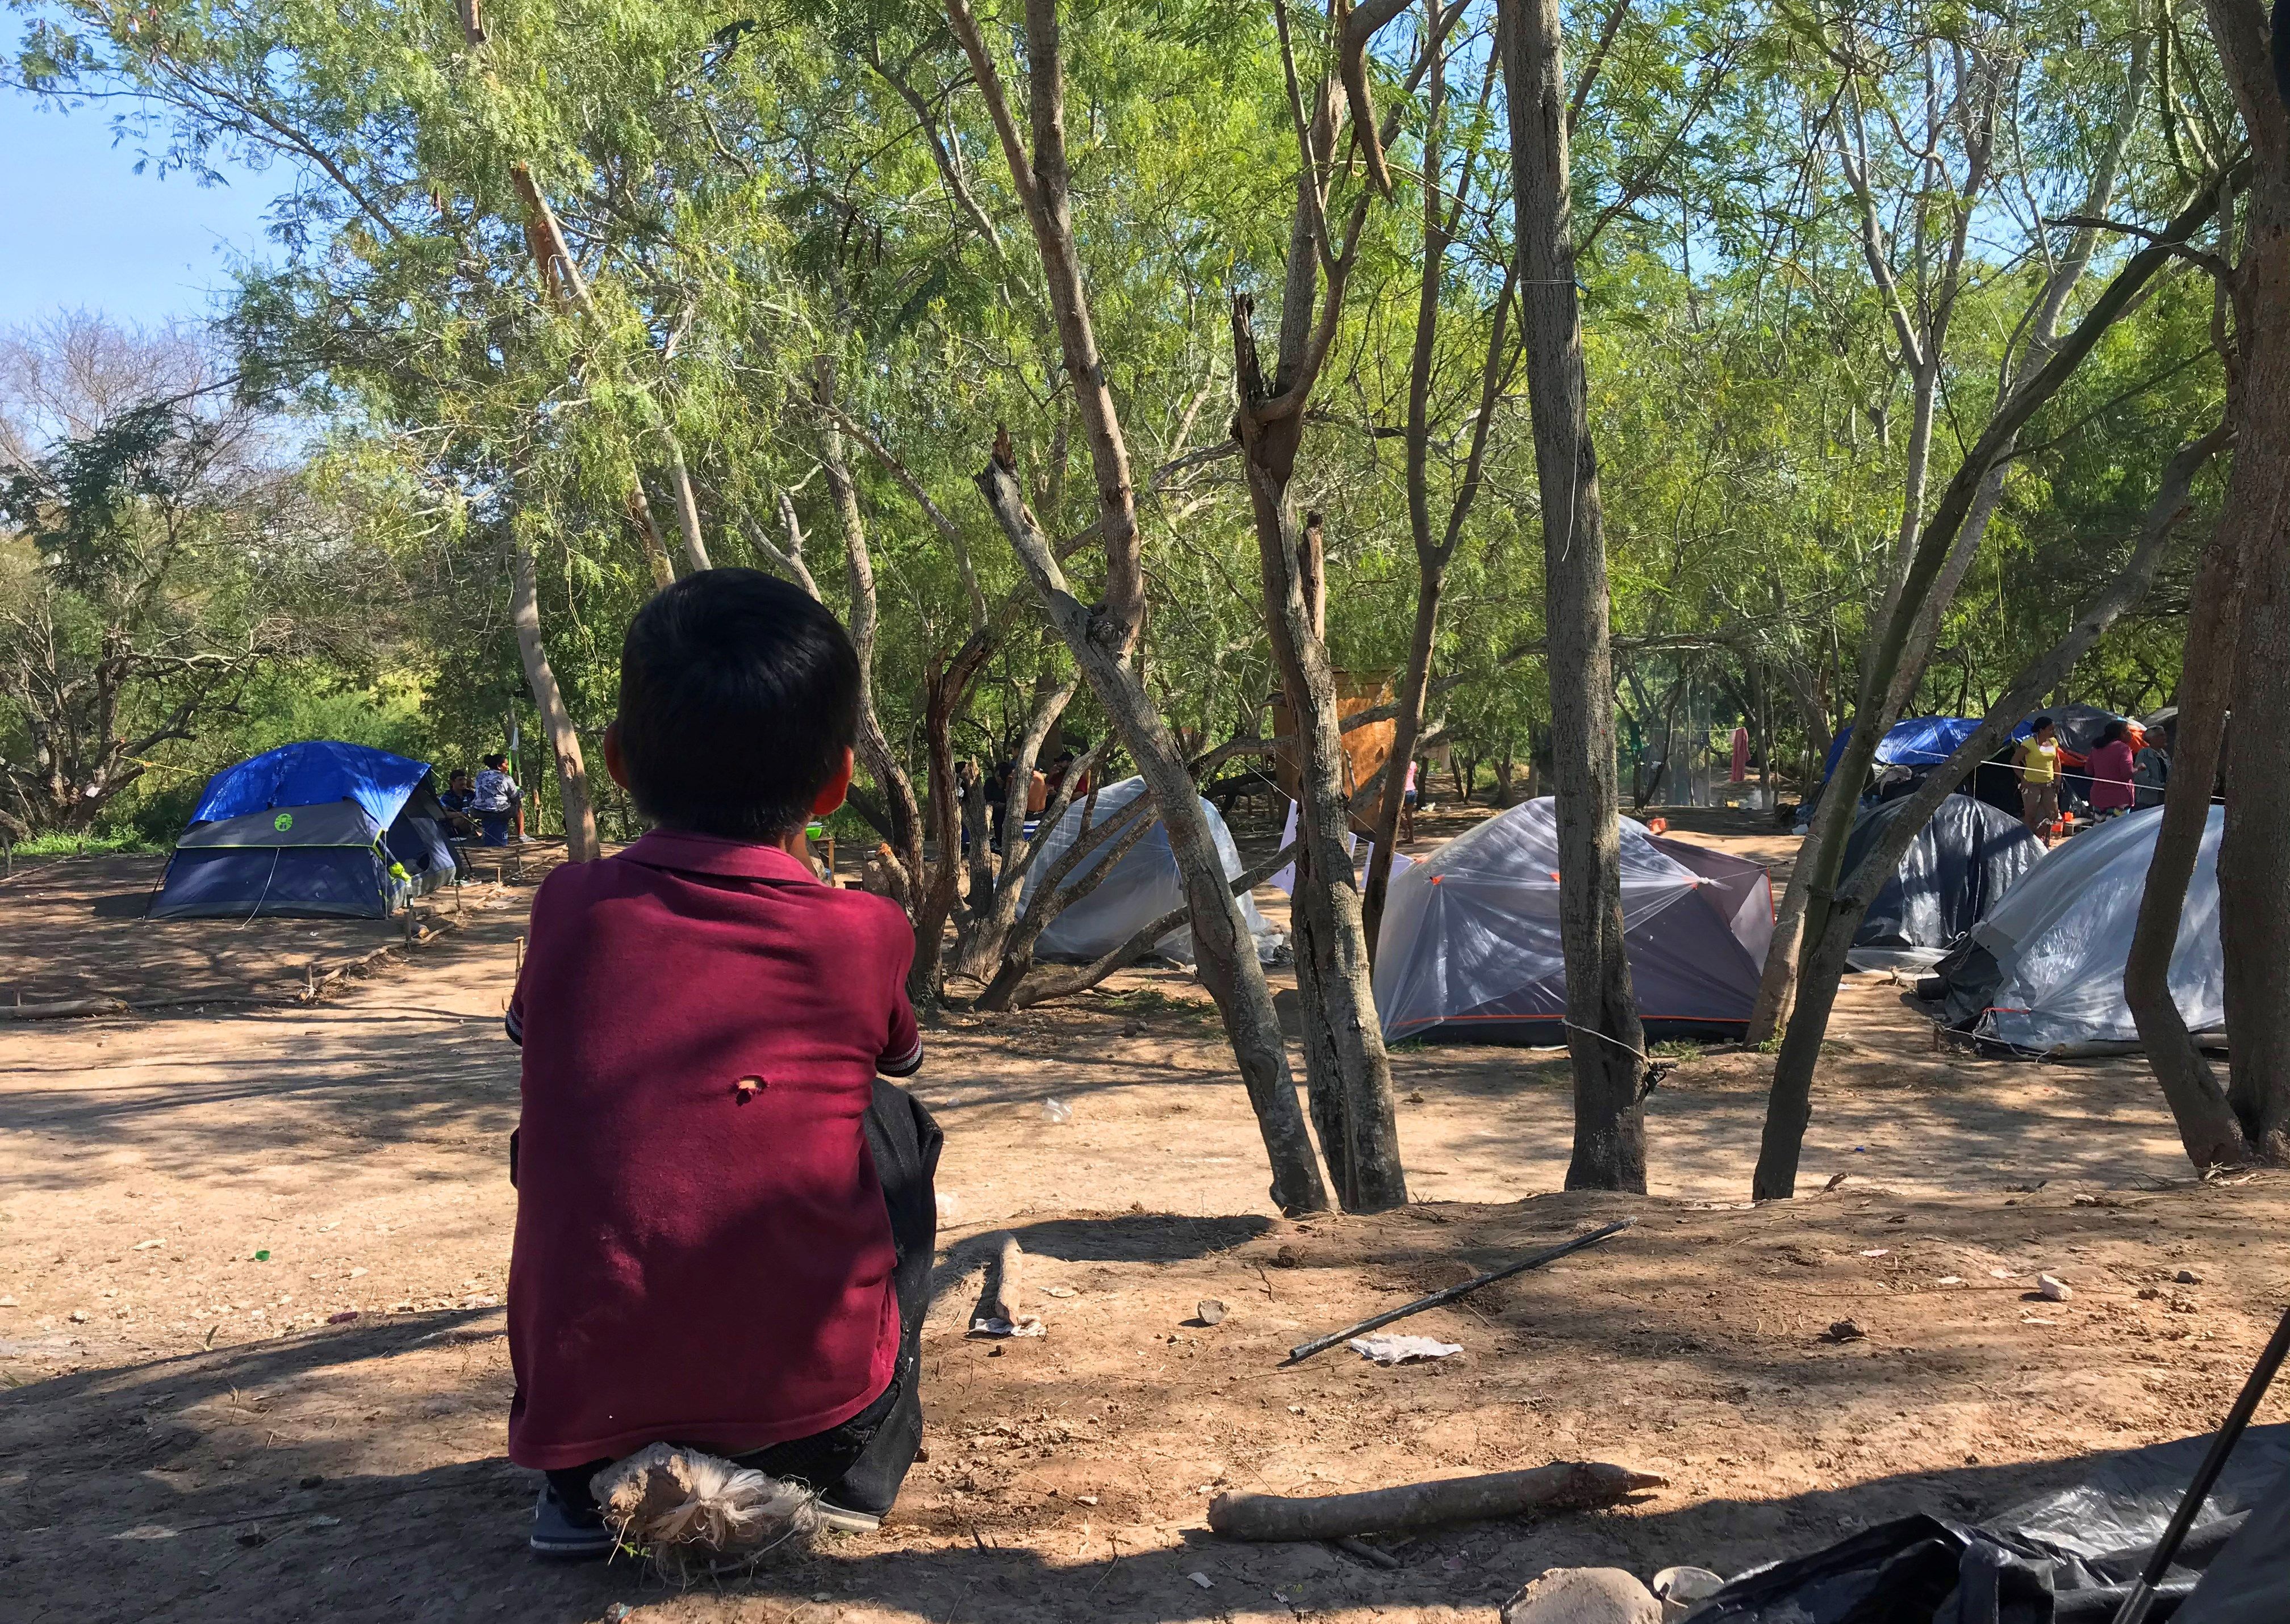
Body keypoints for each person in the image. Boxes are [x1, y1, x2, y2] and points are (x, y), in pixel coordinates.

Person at [505, 568, 940, 1559]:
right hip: (814, 1429)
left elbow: (537, 1038)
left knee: (559, 1136)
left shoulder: (568, 908)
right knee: (890, 1125)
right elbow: (899, 1056)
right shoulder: (861, 929)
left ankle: (580, 1494)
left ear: (617, 762)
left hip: (579, 1441)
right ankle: (860, 1468)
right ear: (834, 784)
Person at [2016, 715, 2063, 840]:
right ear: (2042, 730)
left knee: (2053, 813)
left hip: (2049, 784)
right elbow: (2014, 761)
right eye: (2050, 729)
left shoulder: (2053, 742)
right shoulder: (2029, 744)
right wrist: (2023, 779)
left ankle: (2042, 839)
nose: (2053, 732)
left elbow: (2057, 762)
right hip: (2032, 784)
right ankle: (2027, 841)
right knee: (2031, 815)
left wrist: (2058, 779)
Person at [2086, 720, 2137, 819]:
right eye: (2127, 731)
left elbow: (2088, 771)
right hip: (2119, 800)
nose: (2130, 734)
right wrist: (2138, 768)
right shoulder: (2124, 749)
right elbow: (2127, 774)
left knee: (2100, 831)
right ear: (2121, 734)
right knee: (2117, 831)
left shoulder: (2097, 748)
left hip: (2099, 799)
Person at [473, 753, 523, 844]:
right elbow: (514, 798)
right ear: (499, 766)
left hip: (478, 810)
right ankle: (522, 834)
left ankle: (484, 835)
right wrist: (521, 793)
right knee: (518, 805)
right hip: (499, 811)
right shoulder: (506, 778)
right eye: (506, 765)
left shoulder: (480, 775)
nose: (508, 768)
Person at [2134, 720, 2172, 809]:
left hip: (2163, 800)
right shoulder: (2144, 754)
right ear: (2152, 739)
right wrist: (2162, 786)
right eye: (2161, 735)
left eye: (2164, 735)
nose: (2165, 738)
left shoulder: (2165, 754)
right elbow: (2142, 778)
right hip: (2147, 801)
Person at [438, 769, 481, 839]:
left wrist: (474, 786)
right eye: (460, 780)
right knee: (460, 819)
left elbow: (481, 801)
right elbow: (443, 814)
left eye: (464, 780)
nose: (463, 782)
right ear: (452, 782)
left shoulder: (470, 794)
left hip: (471, 822)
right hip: (453, 825)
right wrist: (460, 814)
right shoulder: (447, 797)